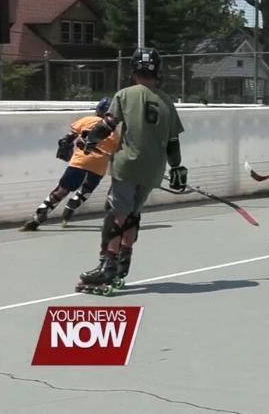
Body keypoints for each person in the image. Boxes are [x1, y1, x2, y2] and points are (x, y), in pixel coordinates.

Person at [74, 47, 186, 292]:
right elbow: (173, 142)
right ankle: (124, 262)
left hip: (127, 164)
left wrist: (90, 140)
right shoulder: (167, 101)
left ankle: (107, 266)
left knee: (116, 213)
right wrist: (177, 168)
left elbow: (108, 124)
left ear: (134, 70)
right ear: (158, 71)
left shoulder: (124, 95)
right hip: (154, 169)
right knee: (133, 214)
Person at [18, 97, 120, 231]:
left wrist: (66, 146)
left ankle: (38, 217)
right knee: (86, 191)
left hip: (80, 162)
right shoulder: (115, 133)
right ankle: (70, 208)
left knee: (62, 190)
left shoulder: (87, 120)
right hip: (99, 165)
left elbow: (67, 139)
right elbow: (116, 151)